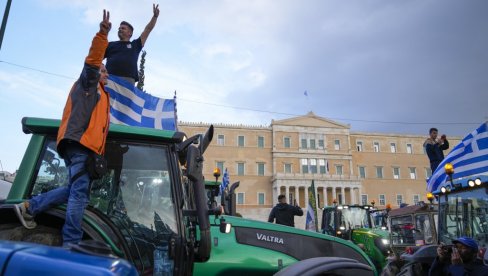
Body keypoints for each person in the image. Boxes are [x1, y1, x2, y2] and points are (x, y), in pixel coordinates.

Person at [13, 10, 112, 246]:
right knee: (79, 194)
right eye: (104, 71)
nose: (106, 74)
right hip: (80, 146)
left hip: (78, 146)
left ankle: (30, 206)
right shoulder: (89, 84)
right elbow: (91, 63)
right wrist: (102, 35)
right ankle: (72, 245)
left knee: (72, 189)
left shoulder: (101, 94)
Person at [104, 4, 159, 86]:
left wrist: (155, 17)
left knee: (125, 99)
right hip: (110, 79)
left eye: (123, 28)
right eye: (119, 28)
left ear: (130, 33)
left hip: (128, 81)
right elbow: (97, 58)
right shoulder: (110, 45)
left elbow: (148, 29)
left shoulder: (135, 45)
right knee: (107, 99)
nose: (120, 29)